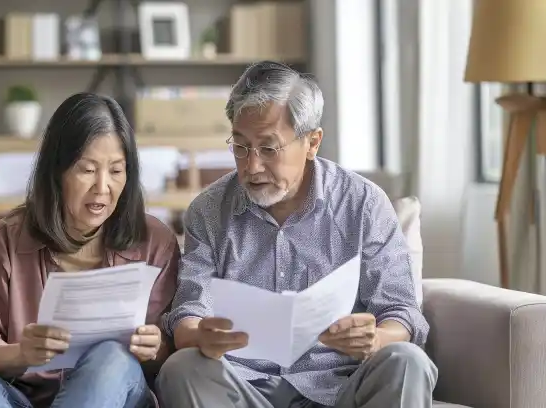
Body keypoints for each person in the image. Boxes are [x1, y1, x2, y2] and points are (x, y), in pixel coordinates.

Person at [155, 61, 437, 408]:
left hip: (338, 387)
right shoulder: (209, 211)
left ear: (312, 142)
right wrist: (200, 336)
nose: (251, 166)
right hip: (243, 388)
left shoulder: (362, 203)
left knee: (407, 361)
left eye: (269, 148)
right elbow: (189, 311)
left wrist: (375, 338)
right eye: (240, 147)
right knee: (182, 367)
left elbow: (401, 311)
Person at [0, 93, 180, 408]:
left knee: (112, 356)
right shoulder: (6, 241)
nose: (102, 187)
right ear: (57, 170)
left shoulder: (154, 241)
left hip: (115, 392)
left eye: (116, 170)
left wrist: (157, 347)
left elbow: (171, 348)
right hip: (25, 397)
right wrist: (21, 353)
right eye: (87, 169)